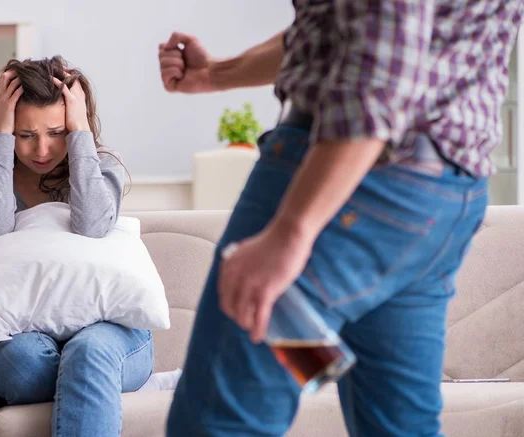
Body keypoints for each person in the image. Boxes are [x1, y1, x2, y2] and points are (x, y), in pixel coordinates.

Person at [158, 2, 524, 436]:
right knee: (398, 427)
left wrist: (294, 229)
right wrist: (217, 73)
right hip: (441, 198)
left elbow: (384, 49)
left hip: (350, 186)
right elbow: (339, 30)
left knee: (219, 422)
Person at [0, 56, 153, 437]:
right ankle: (96, 384)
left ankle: (93, 374)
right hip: (29, 332)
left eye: (57, 132)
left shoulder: (101, 168)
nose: (42, 149)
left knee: (90, 353)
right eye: (25, 134)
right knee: (24, 367)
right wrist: (0, 133)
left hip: (110, 331)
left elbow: (92, 226)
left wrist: (81, 135)